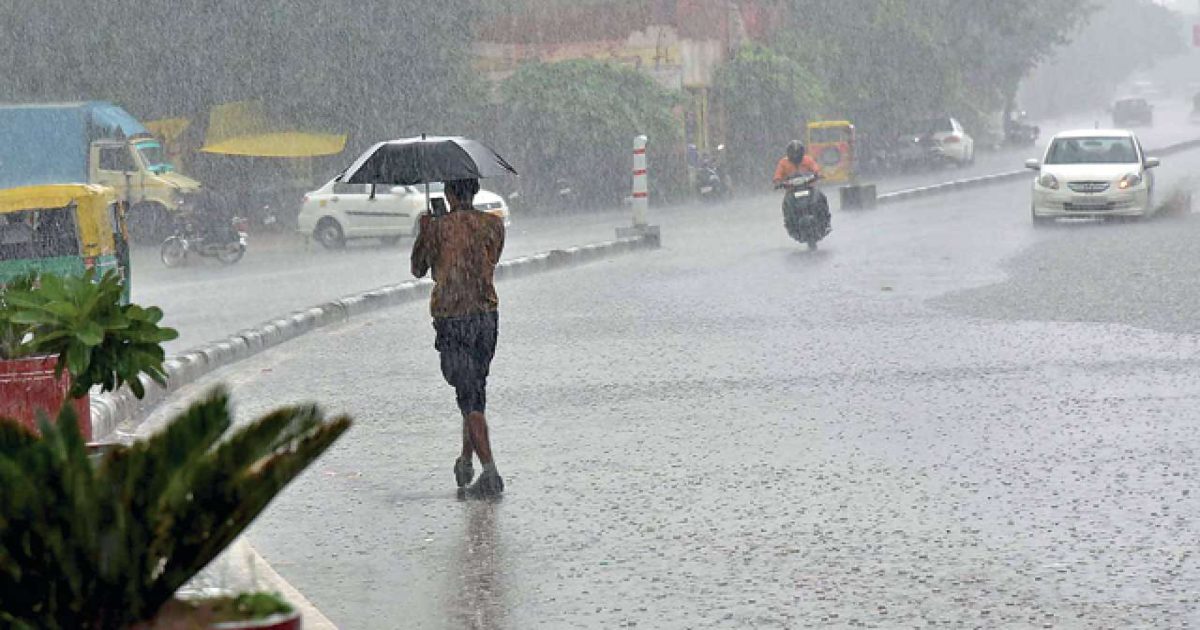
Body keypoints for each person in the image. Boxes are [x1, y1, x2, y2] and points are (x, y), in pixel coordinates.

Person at [411, 178, 507, 498]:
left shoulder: (437, 229)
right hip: (485, 318)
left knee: (469, 397)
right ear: (474, 191)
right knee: (474, 393)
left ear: (450, 194)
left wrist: (426, 231)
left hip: (453, 319)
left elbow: (417, 269)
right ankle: (467, 460)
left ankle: (490, 472)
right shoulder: (493, 225)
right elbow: (490, 260)